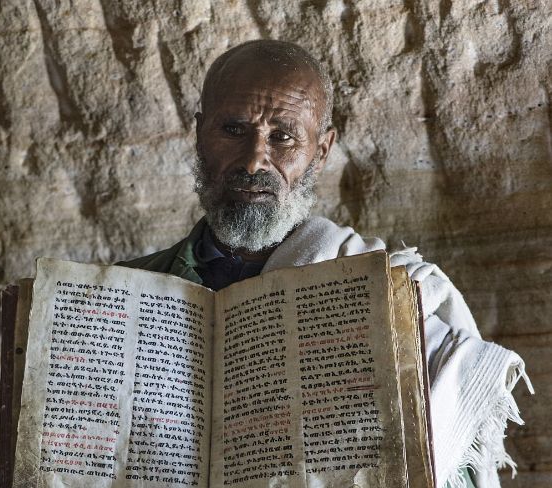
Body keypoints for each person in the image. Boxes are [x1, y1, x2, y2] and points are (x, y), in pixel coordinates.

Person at [119, 40, 531, 488]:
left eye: (283, 136)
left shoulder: (395, 299)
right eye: (234, 130)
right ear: (200, 134)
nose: (256, 159)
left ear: (321, 149)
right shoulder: (125, 291)